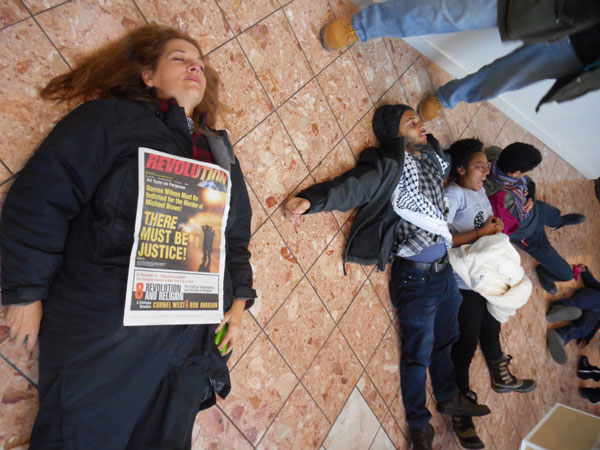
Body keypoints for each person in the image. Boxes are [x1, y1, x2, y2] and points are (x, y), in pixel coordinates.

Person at [0, 25, 256, 449]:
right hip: (110, 327)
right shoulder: (111, 121)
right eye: (179, 57)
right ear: (147, 76)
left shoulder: (220, 153)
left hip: (190, 341)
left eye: (200, 63)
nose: (196, 65)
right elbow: (46, 192)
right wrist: (26, 290)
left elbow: (236, 233)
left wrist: (240, 299)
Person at [284, 104, 490, 450]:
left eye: (420, 121)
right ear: (394, 133)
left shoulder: (431, 159)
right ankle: (418, 425)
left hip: (443, 271)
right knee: (417, 352)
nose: (421, 126)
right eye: (412, 123)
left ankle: (447, 395)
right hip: (417, 279)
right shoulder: (391, 164)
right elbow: (354, 186)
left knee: (446, 340)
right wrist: (312, 200)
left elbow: (451, 160)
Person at [317, 0, 600, 115]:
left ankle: (446, 98)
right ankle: (362, 26)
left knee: (502, 79)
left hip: (586, 54)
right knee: (452, 11)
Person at [445, 138, 535, 449]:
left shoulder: (479, 190)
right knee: (466, 341)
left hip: (484, 271)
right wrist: (481, 233)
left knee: (493, 322)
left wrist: (492, 228)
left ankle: (500, 375)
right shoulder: (453, 195)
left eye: (486, 165)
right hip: (464, 277)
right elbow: (440, 239)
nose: (485, 172)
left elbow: (483, 226)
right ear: (460, 169)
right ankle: (461, 409)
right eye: (479, 166)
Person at [482, 143, 584, 295]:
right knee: (566, 275)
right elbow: (505, 229)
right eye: (524, 172)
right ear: (515, 173)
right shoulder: (498, 198)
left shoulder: (495, 155)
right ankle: (545, 274)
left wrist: (530, 196)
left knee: (555, 215)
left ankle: (559, 222)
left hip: (535, 209)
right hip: (529, 236)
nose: (525, 175)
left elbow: (528, 182)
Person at [546, 264, 600, 365]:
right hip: (592, 298)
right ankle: (559, 306)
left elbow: (597, 326)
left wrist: (586, 339)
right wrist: (585, 272)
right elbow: (593, 284)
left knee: (584, 329)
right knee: (594, 300)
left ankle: (560, 336)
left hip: (594, 314)